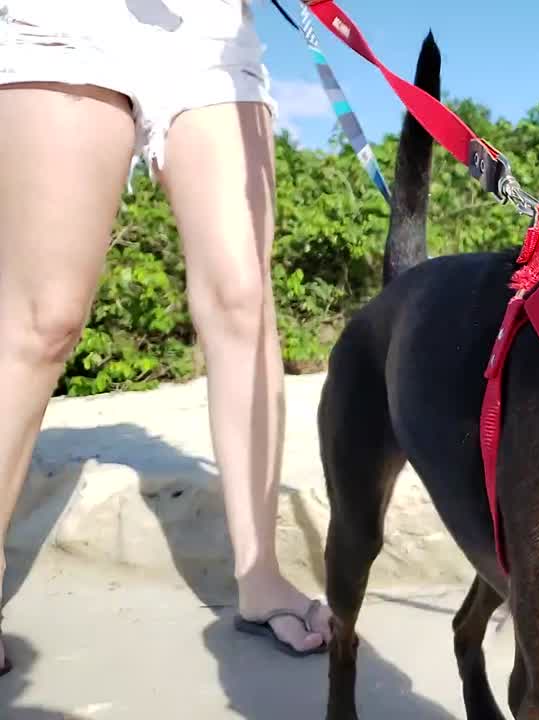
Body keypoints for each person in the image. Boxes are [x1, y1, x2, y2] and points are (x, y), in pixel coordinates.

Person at [0, 0, 332, 673]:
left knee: (242, 296)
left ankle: (259, 574)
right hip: (66, 20)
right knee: (46, 318)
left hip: (213, 32)